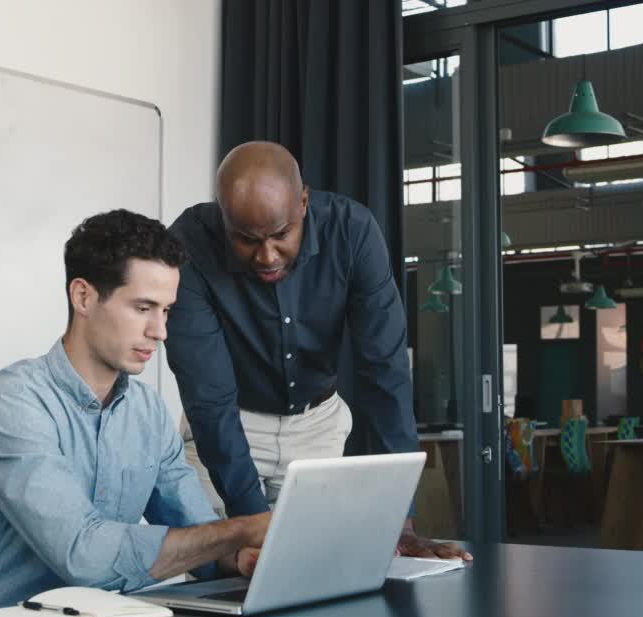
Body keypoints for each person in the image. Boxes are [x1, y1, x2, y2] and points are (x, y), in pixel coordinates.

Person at [0, 209, 269, 611]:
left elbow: (199, 535)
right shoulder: (10, 406)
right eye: (143, 308)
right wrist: (242, 528)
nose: (160, 331)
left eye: (166, 310)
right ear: (83, 296)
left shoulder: (147, 412)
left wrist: (239, 555)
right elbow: (86, 557)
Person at [166, 141, 469, 561]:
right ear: (223, 216)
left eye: (280, 234)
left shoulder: (352, 231)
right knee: (224, 576)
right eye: (246, 239)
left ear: (304, 202)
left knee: (315, 575)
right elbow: (209, 398)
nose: (267, 255)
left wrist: (399, 520)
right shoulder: (188, 244)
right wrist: (253, 530)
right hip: (228, 426)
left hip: (317, 431)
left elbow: (385, 372)